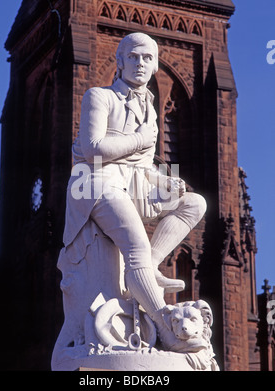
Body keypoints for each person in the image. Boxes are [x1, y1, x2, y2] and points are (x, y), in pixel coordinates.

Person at [62, 32, 206, 351]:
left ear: (155, 65)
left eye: (147, 58)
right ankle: (165, 327)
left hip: (134, 183)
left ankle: (149, 268)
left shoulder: (150, 109)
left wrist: (164, 181)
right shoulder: (99, 97)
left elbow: (142, 165)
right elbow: (94, 150)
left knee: (195, 203)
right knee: (136, 244)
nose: (140, 63)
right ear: (120, 61)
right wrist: (140, 140)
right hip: (97, 181)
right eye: (133, 56)